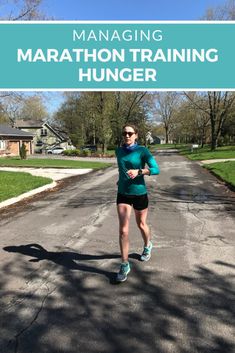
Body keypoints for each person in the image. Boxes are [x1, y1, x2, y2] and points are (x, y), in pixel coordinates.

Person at [115, 124, 160, 282]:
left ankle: (148, 245)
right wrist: (120, 180)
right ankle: (124, 264)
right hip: (123, 194)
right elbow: (121, 170)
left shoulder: (142, 151)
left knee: (141, 224)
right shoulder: (118, 151)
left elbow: (156, 169)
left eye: (130, 133)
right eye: (124, 133)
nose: (126, 135)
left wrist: (140, 171)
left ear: (136, 135)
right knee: (123, 231)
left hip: (139, 193)